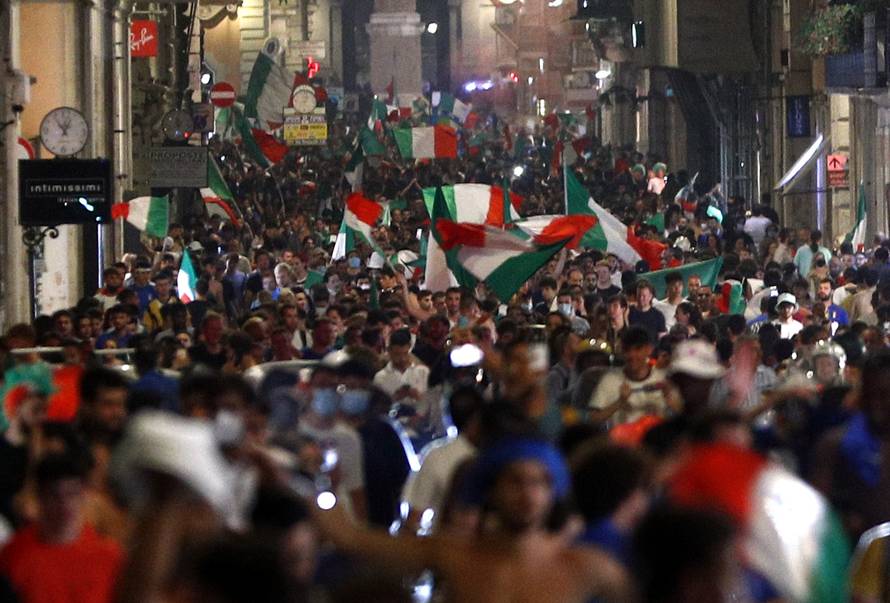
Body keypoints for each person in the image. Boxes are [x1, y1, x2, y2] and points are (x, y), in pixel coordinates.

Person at [312, 437, 630, 603]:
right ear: (490, 491)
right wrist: (307, 480)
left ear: (553, 492)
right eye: (515, 482)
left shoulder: (587, 567)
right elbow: (349, 537)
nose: (528, 494)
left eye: (539, 483)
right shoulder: (454, 555)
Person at [0, 454, 123, 603]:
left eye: (72, 493)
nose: (65, 504)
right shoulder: (13, 556)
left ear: (84, 494)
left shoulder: (110, 557)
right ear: (40, 497)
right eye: (55, 495)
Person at [589, 327, 668, 426]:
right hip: (621, 440)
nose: (632, 355)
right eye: (627, 350)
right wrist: (620, 402)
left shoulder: (663, 379)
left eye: (638, 349)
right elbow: (592, 418)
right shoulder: (610, 379)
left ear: (649, 349)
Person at [373, 328, 430, 411]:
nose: (402, 359)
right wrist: (395, 397)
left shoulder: (423, 372)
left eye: (405, 353)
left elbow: (432, 404)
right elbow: (376, 409)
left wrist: (418, 396)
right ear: (389, 350)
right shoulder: (380, 378)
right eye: (397, 354)